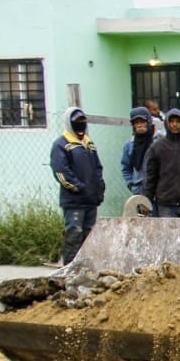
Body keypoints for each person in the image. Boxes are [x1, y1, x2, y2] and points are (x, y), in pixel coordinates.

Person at [49, 107, 106, 264]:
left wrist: (99, 189)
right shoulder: (61, 145)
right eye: (77, 122)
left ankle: (86, 267)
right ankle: (69, 269)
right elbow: (61, 173)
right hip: (74, 201)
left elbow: (98, 168)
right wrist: (80, 189)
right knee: (74, 234)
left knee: (89, 236)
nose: (81, 125)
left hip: (91, 200)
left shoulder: (89, 144)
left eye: (83, 121)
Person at [119, 107, 157, 197]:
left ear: (148, 122)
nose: (139, 125)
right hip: (139, 191)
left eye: (142, 121)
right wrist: (131, 184)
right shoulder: (129, 145)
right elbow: (125, 167)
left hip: (158, 192)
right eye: (136, 122)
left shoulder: (158, 142)